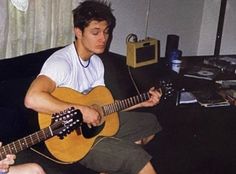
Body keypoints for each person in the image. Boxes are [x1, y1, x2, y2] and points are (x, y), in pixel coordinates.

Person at [24, 0, 162, 173]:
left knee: (150, 123)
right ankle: (120, 158)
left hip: (97, 127)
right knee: (138, 159)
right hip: (74, 140)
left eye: (106, 32)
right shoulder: (61, 62)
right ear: (78, 32)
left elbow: (103, 105)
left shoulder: (96, 62)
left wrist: (142, 102)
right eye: (95, 32)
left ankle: (111, 163)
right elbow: (32, 98)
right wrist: (82, 111)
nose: (103, 38)